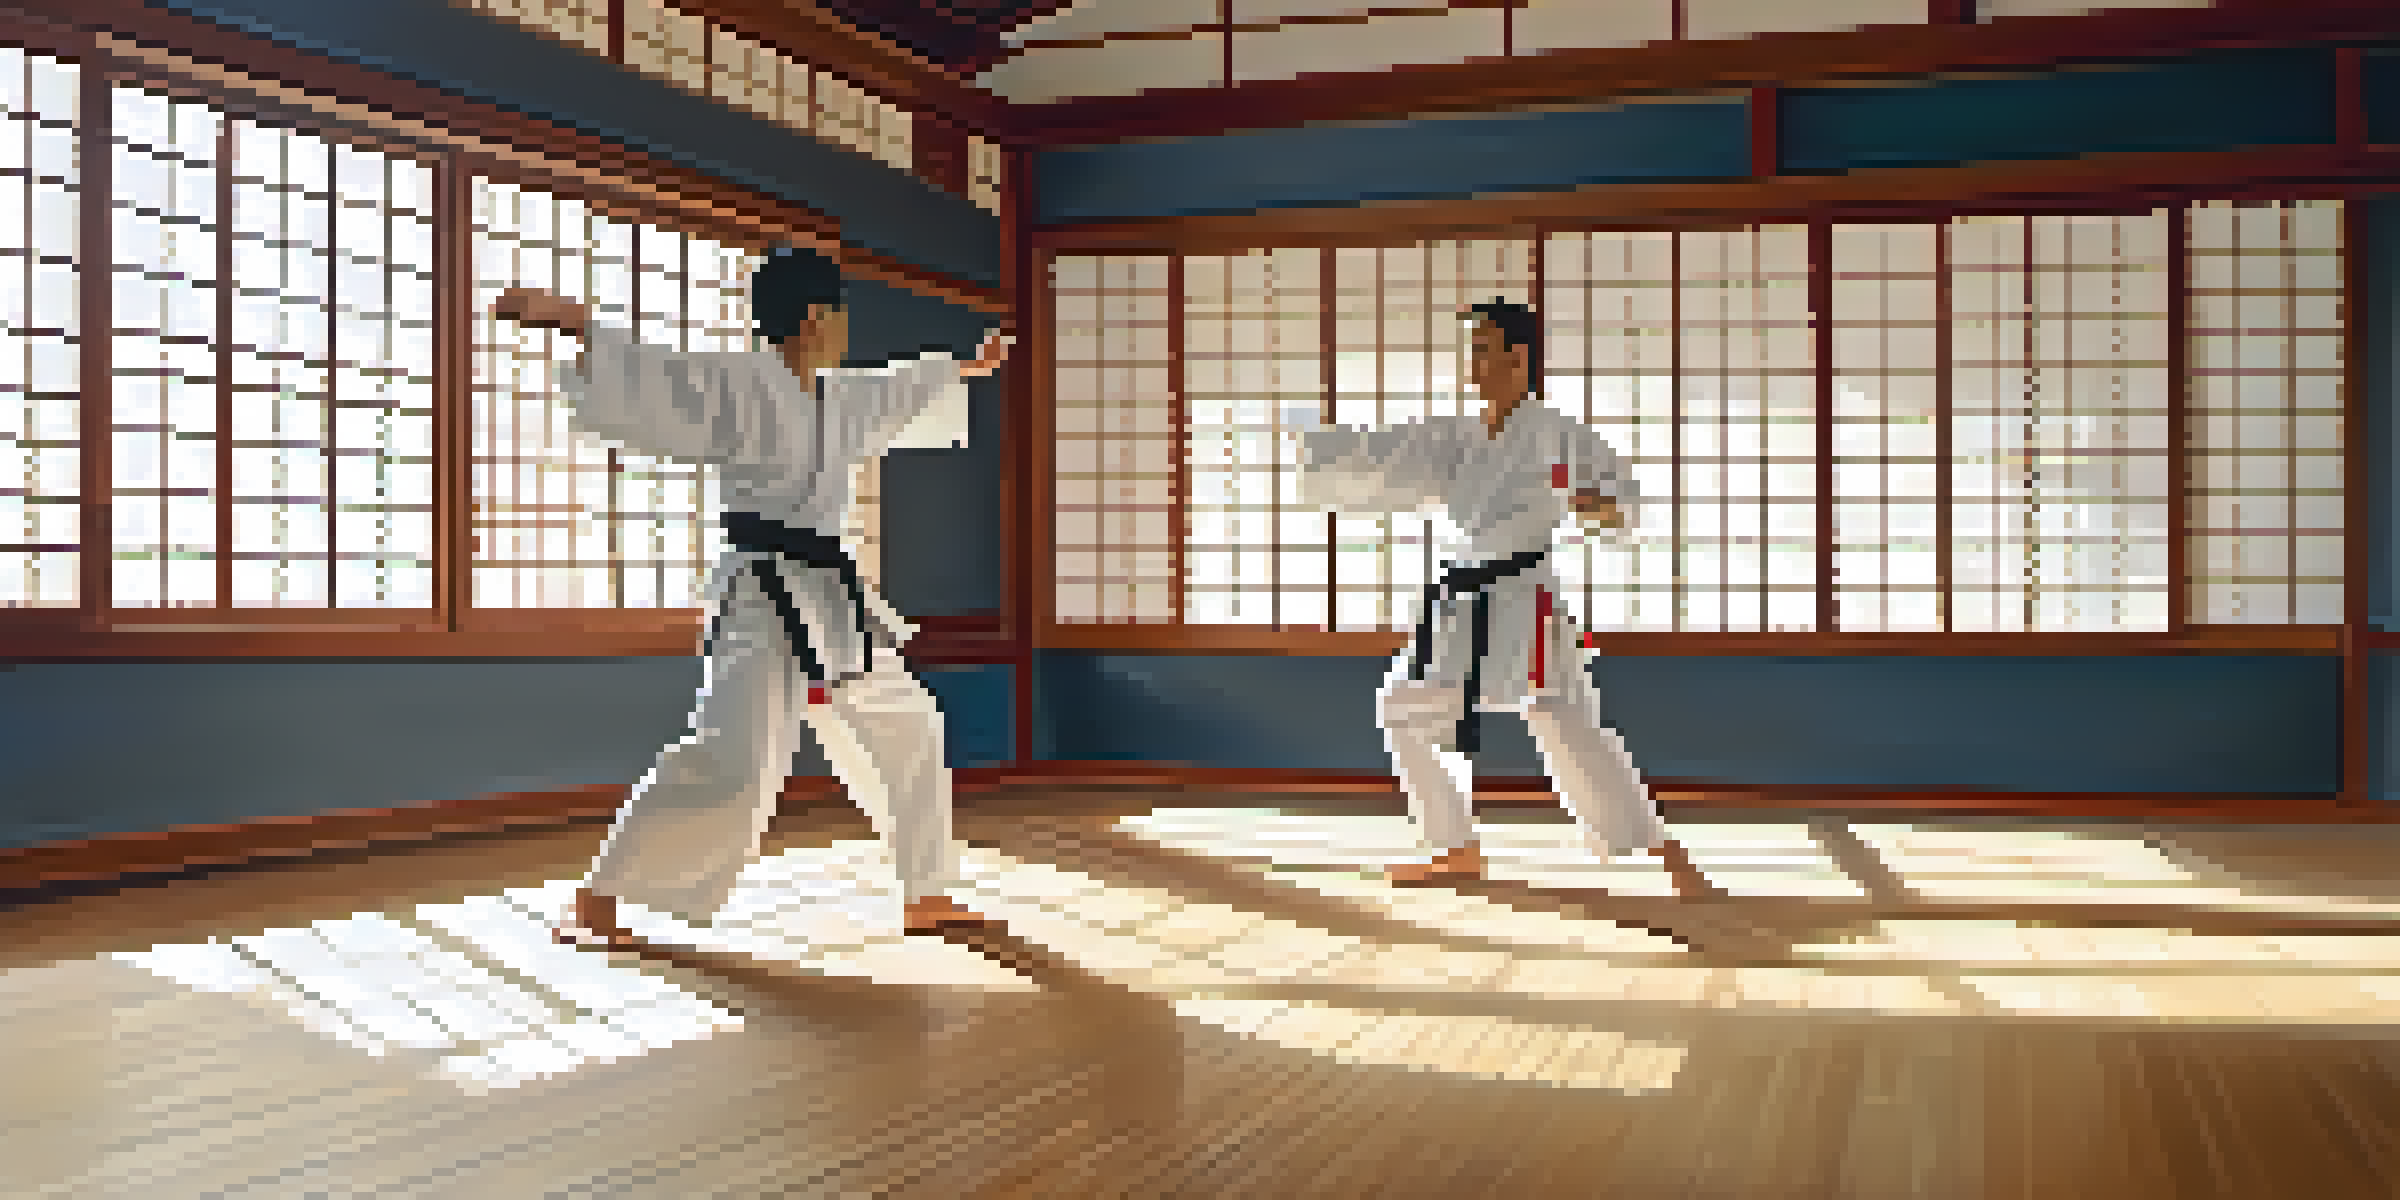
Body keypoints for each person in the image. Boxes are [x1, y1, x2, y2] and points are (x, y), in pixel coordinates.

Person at [487, 245, 1012, 945]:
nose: (847, 329)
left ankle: (925, 891)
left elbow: (902, 386)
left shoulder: (842, 395)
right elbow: (657, 379)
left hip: (830, 598)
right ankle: (597, 900)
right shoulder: (735, 382)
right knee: (733, 758)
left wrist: (965, 367)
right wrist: (580, 325)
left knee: (910, 722)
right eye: (840, 314)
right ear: (816, 318)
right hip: (763, 594)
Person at [1292, 299, 1667, 885]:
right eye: (1472, 348)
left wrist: (1599, 507)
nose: (1474, 361)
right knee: (1403, 708)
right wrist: (1311, 438)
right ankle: (1457, 847)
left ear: (1518, 356)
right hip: (1463, 603)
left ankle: (1643, 846)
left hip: (1525, 599)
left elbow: (1621, 504)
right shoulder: (1453, 434)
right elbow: (1382, 456)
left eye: (1486, 348)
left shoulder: (1558, 435)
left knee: (1563, 719)